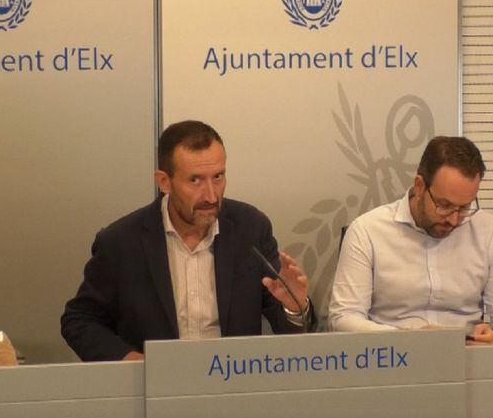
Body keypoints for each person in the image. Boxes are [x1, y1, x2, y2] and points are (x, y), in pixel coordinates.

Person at [61, 120, 315, 361]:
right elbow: (80, 320)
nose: (211, 196)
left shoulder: (250, 229)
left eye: (218, 177)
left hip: (234, 379)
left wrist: (293, 307)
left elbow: (291, 331)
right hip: (158, 384)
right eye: (195, 180)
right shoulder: (122, 241)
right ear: (164, 182)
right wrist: (132, 361)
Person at [329, 136, 493, 344]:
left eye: (464, 207)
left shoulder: (490, 231)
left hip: (467, 355)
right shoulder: (367, 231)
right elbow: (344, 317)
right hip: (393, 355)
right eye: (444, 205)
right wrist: (409, 340)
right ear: (419, 186)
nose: (454, 219)